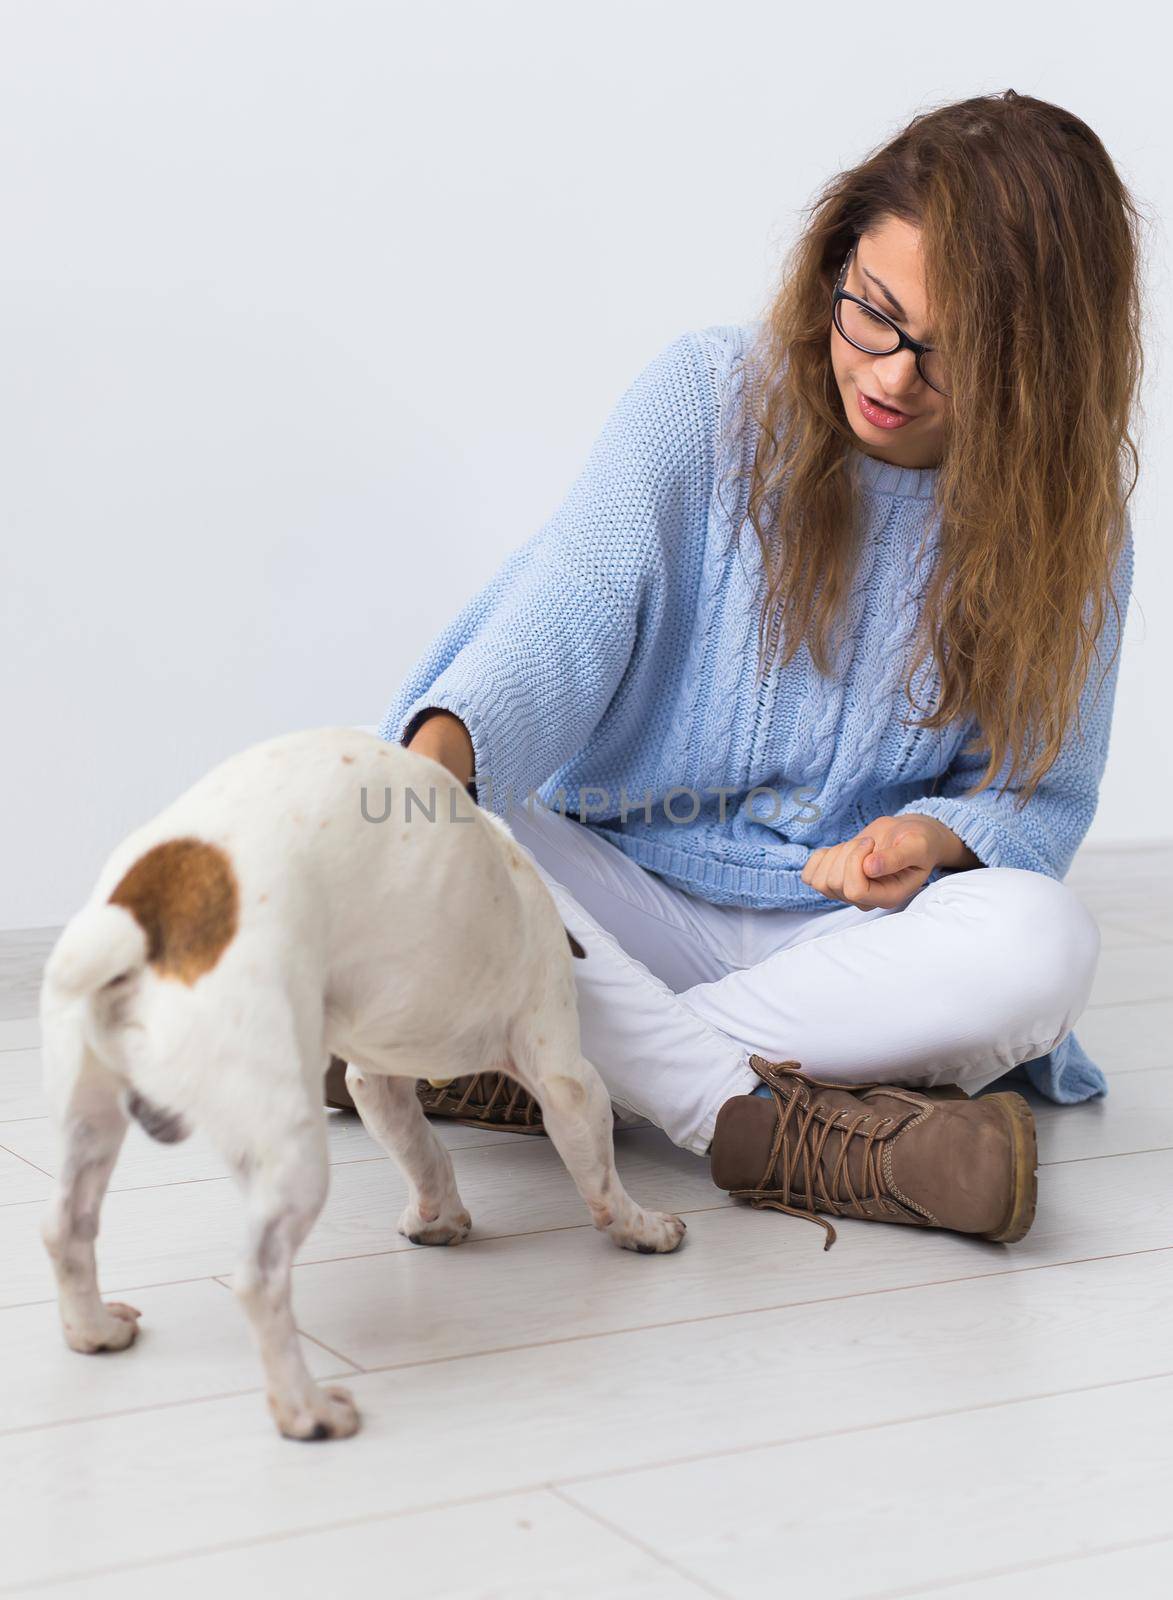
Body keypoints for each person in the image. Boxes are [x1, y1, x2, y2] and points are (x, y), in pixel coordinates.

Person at [328, 89, 1141, 1250]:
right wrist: (437, 771)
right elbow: (573, 605)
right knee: (422, 813)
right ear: (837, 258)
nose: (895, 377)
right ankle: (744, 1118)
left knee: (1044, 944)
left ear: (1043, 372)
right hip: (619, 879)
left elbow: (1040, 794)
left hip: (837, 942)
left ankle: (541, 1056)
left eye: (955, 356)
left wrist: (943, 838)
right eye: (876, 312)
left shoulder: (1075, 526)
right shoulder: (707, 397)